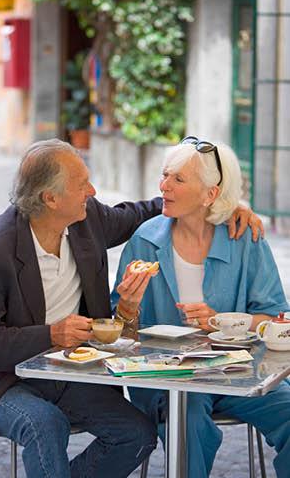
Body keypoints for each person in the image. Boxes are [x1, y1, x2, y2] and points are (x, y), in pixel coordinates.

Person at [0, 139, 261, 477]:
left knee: (136, 434)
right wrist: (51, 335)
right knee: (46, 425)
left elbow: (143, 211)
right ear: (51, 198)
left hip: (68, 372)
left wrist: (220, 204)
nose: (93, 189)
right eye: (81, 183)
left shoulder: (88, 219)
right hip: (3, 381)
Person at [112, 138, 290, 478]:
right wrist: (128, 308)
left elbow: (274, 318)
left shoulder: (245, 238)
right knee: (187, 417)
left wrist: (224, 323)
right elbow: (119, 338)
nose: (163, 186)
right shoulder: (145, 241)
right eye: (165, 176)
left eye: (178, 179)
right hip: (168, 379)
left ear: (211, 193)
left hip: (239, 373)